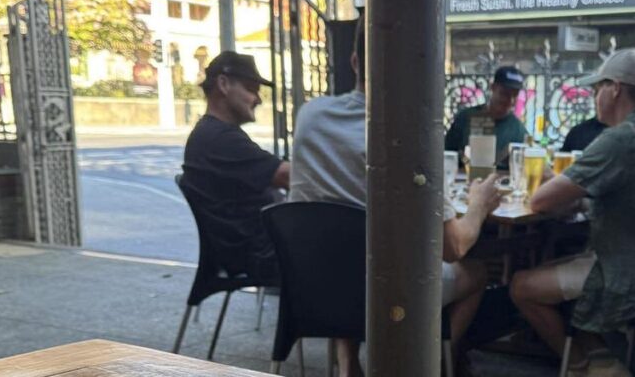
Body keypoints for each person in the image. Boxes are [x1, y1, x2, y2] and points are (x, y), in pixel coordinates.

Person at [290, 19, 500, 377]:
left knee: (347, 249)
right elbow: (453, 247)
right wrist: (479, 204)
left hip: (316, 287)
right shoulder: (410, 137)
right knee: (478, 272)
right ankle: (438, 358)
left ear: (355, 62)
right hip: (391, 293)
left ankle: (348, 364)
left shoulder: (309, 115)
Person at [509, 49, 635, 377]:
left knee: (521, 286)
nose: (594, 97)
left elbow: (540, 202)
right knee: (557, 264)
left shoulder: (622, 139)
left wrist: (545, 175)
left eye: (596, 89)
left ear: (614, 89)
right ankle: (603, 359)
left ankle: (579, 364)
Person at [181, 51, 289, 282]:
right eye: (251, 89)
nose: (258, 99)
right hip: (259, 255)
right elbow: (287, 176)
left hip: (250, 250)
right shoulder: (219, 140)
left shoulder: (212, 134)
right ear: (223, 84)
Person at [444, 66, 528, 170]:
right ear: (492, 87)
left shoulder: (519, 131)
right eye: (504, 93)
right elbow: (446, 154)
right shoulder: (465, 118)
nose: (510, 100)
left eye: (515, 95)